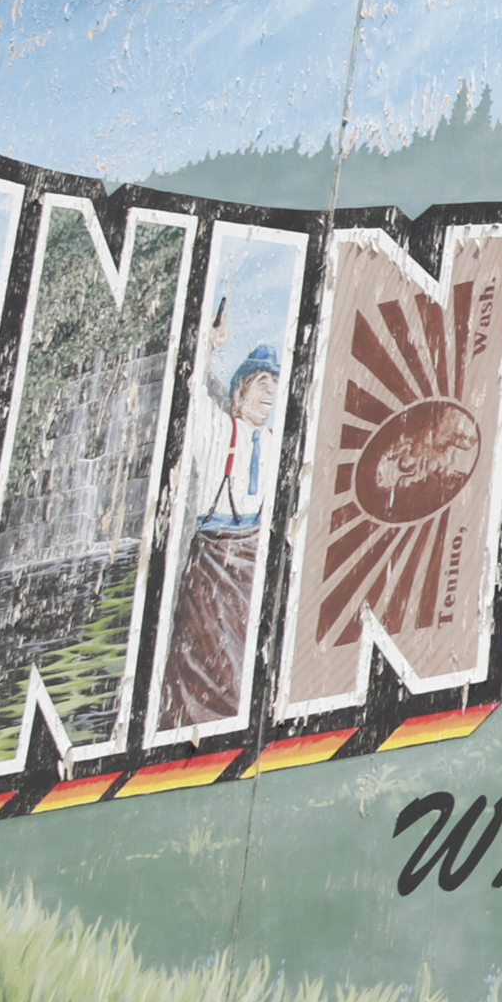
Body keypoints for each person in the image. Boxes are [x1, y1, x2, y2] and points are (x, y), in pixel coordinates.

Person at [159, 298, 282, 730]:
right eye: (262, 382)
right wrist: (208, 345)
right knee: (203, 657)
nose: (270, 392)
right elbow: (188, 390)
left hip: (249, 564)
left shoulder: (272, 444)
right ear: (240, 389)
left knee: (247, 656)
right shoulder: (217, 429)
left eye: (275, 384)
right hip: (212, 563)